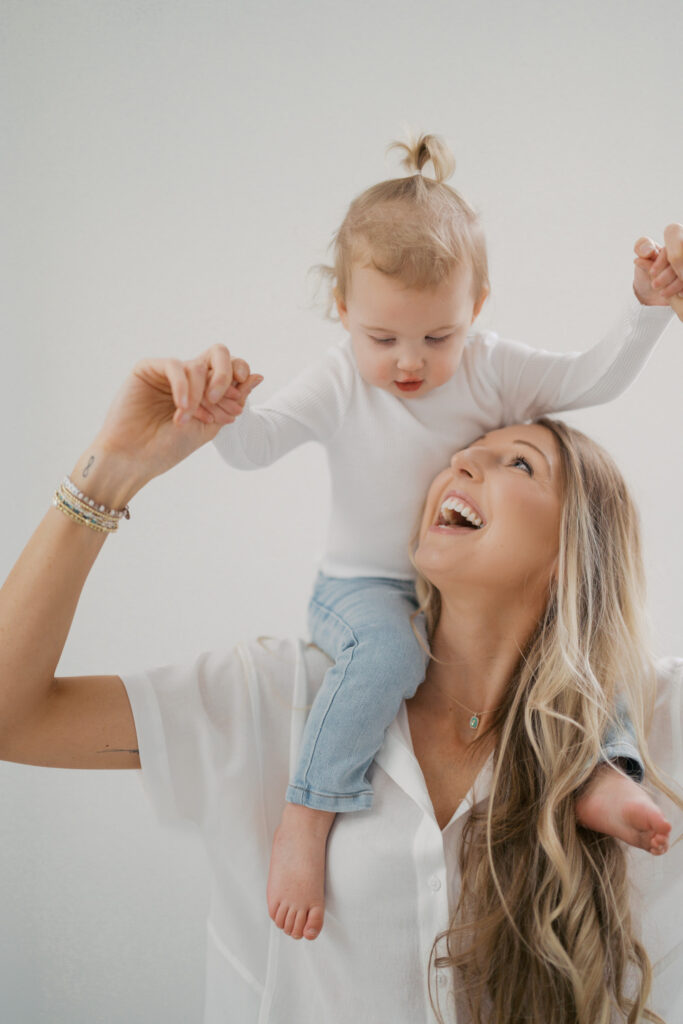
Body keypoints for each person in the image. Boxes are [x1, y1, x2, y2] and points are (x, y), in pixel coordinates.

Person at [0, 312, 682, 1021]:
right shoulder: (276, 698)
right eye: (467, 449)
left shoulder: (660, 720)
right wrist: (111, 470)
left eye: (518, 463)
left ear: (576, 550)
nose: (463, 462)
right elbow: (9, 718)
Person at [210, 132, 680, 941]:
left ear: (479, 306)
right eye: (382, 339)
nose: (408, 365)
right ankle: (309, 812)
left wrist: (643, 308)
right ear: (343, 311)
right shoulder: (334, 382)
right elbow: (254, 447)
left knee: (564, 638)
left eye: (437, 338)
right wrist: (221, 414)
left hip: (453, 597)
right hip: (363, 589)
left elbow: (589, 379)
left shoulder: (491, 367)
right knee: (389, 655)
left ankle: (604, 770)